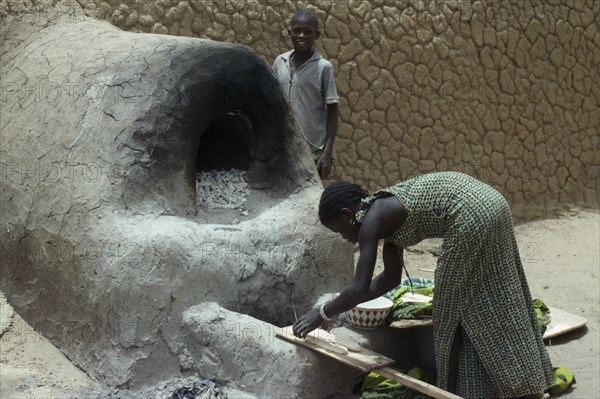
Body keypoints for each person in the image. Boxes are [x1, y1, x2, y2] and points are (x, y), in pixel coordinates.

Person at [292, 171, 554, 399]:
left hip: (471, 216)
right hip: (492, 203)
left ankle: (447, 392)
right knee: (498, 293)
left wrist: (323, 311)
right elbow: (389, 280)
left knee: (447, 311)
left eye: (340, 231)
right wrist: (342, 304)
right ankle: (527, 383)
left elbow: (359, 287)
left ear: (347, 215)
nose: (346, 239)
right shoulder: (382, 211)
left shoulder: (372, 221)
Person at [272, 10, 339, 180]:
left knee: (310, 197)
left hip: (313, 149)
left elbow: (333, 109)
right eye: (297, 30)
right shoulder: (280, 62)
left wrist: (328, 152)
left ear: (317, 35)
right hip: (283, 146)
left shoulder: (323, 67)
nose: (301, 35)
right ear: (289, 33)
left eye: (308, 31)